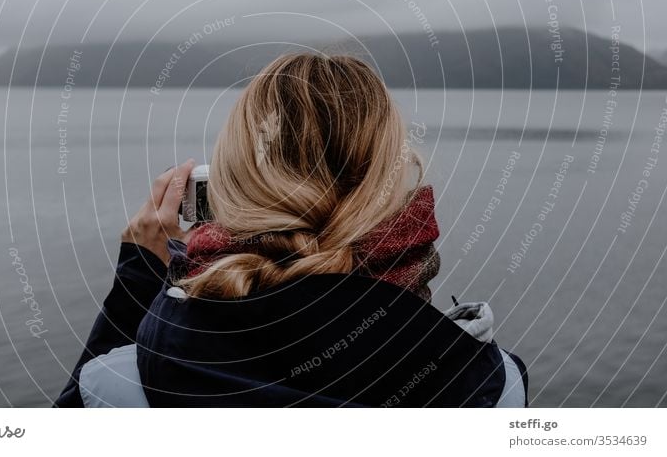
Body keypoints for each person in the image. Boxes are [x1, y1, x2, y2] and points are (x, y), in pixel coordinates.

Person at [54, 53, 528, 407]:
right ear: (391, 178)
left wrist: (138, 275)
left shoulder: (121, 386)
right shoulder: (493, 386)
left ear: (235, 184)